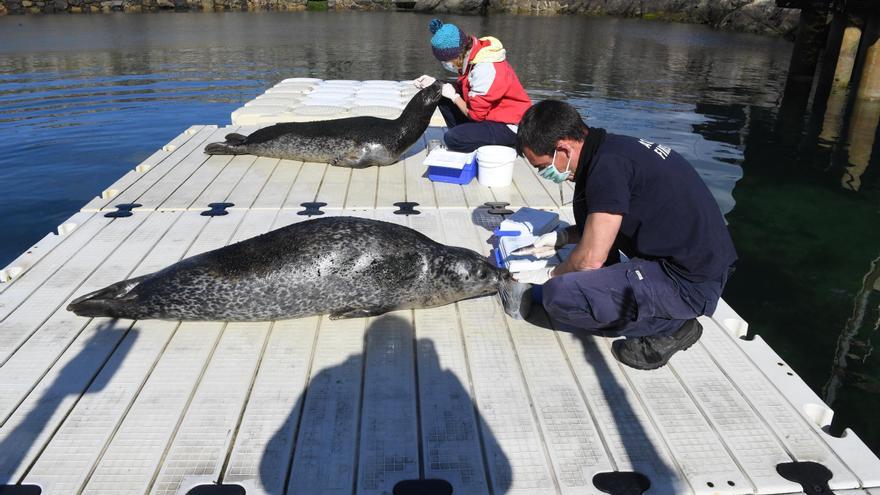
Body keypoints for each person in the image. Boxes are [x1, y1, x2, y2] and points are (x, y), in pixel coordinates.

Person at [512, 100, 737, 370]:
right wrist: (562, 237)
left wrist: (550, 274)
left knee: (559, 296)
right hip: (694, 263)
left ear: (563, 148)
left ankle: (673, 327)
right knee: (580, 260)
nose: (544, 174)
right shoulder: (610, 150)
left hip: (688, 283)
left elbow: (591, 259)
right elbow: (603, 223)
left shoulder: (607, 168)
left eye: (542, 166)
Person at [413, 19, 531, 153]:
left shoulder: (485, 69)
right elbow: (467, 90)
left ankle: (469, 139)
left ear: (456, 55)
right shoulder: (473, 55)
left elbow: (476, 115)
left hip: (511, 126)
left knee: (453, 139)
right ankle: (466, 134)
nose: (445, 64)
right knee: (440, 91)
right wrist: (435, 83)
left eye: (445, 61)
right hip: (491, 116)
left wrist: (455, 97)